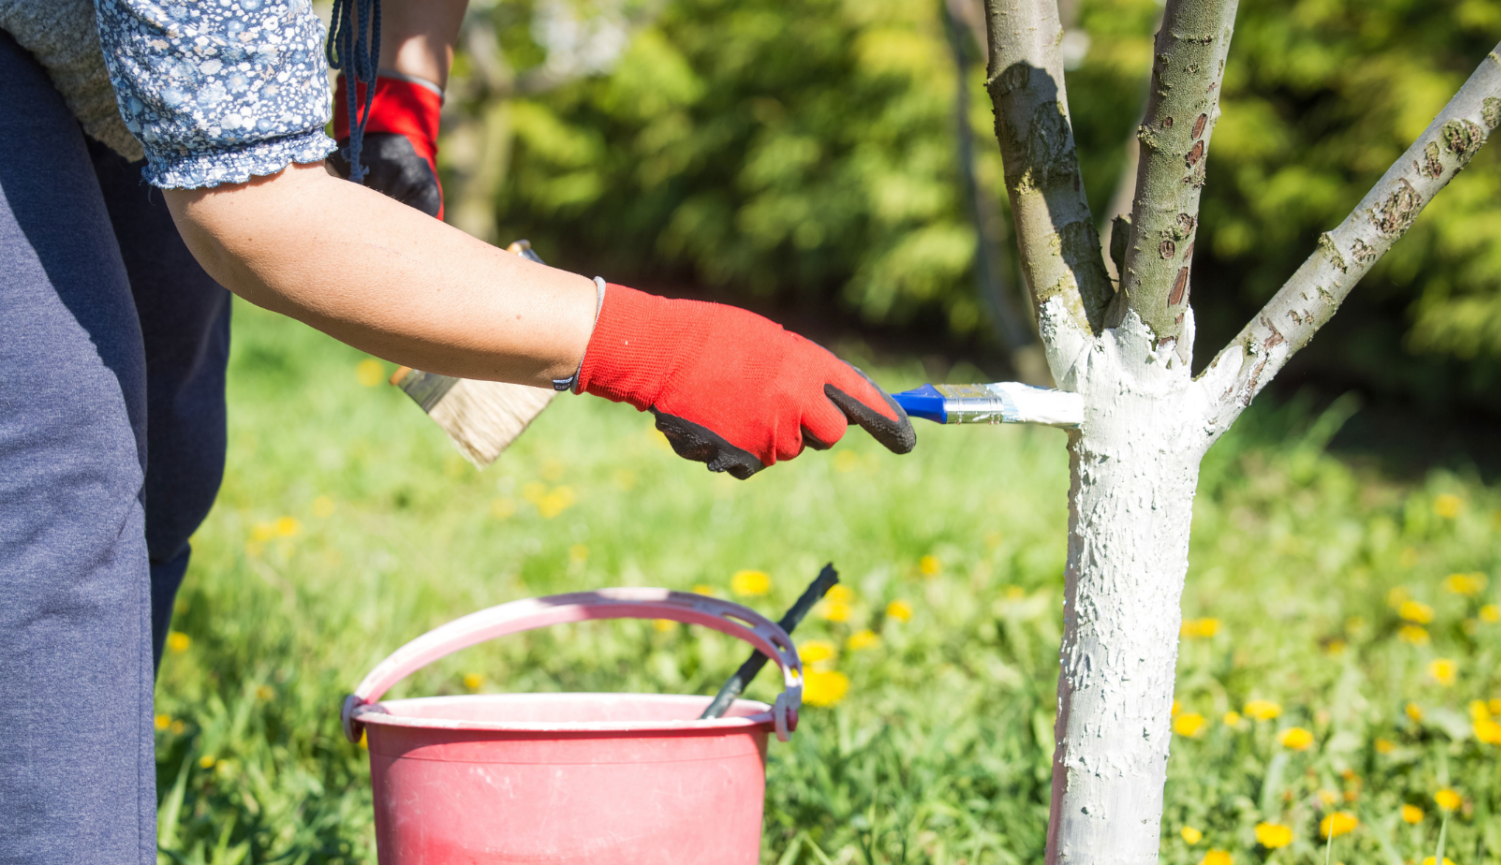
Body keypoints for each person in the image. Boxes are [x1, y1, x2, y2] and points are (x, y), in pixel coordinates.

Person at [0, 0, 915, 860]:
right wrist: (659, 350)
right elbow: (252, 209)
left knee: (169, 455)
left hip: (116, 56)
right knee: (60, 483)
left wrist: (399, 95)